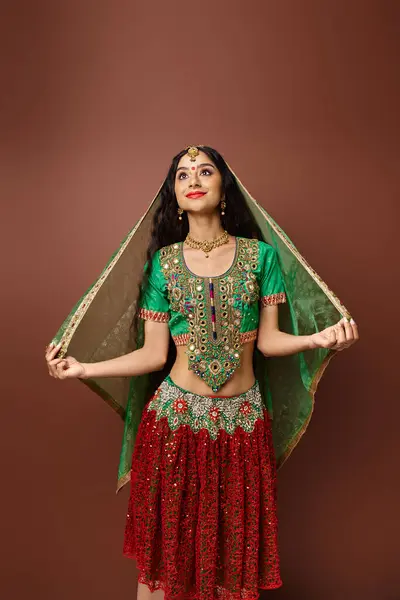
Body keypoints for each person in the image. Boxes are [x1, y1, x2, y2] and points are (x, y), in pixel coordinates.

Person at [45, 145, 358, 600]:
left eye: (205, 171)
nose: (193, 179)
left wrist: (318, 339)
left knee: (231, 568)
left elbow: (269, 343)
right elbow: (154, 355)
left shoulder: (260, 258)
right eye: (182, 174)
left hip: (241, 430)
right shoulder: (164, 264)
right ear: (174, 195)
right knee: (162, 567)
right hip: (173, 427)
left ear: (223, 187)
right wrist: (84, 368)